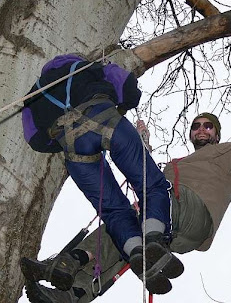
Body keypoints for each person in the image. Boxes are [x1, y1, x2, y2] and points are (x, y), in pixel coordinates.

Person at [21, 112, 231, 303]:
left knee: (136, 214)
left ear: (217, 134)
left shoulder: (228, 151)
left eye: (208, 126)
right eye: (196, 126)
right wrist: (142, 145)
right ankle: (74, 292)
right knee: (122, 233)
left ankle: (70, 260)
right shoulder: (179, 163)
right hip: (175, 232)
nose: (201, 129)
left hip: (194, 211)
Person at [21, 54, 183, 297]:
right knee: (151, 185)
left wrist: (65, 140)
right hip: (107, 119)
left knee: (113, 209)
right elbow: (129, 89)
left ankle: (135, 250)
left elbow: (35, 139)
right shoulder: (89, 66)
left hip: (72, 144)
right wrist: (119, 105)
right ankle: (154, 237)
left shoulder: (35, 93)